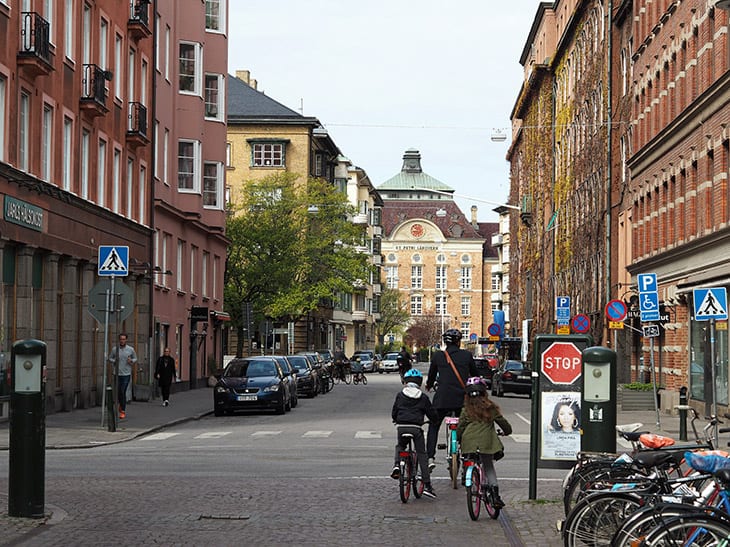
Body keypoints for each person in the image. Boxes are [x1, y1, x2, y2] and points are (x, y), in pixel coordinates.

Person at [425, 328, 478, 470]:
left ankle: (430, 457)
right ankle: (468, 456)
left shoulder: (438, 356)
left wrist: (429, 386)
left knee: (434, 426)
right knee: (467, 426)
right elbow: (475, 376)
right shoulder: (467, 355)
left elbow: (431, 376)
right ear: (459, 342)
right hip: (462, 400)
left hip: (442, 399)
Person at [456, 376, 512, 508]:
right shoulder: (490, 408)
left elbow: (460, 428)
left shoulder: (466, 410)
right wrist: (507, 431)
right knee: (488, 467)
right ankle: (495, 495)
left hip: (469, 443)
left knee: (469, 459)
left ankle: (466, 474)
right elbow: (504, 424)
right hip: (487, 444)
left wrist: (459, 439)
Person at [391, 368, 439, 499]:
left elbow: (394, 411)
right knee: (422, 454)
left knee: (400, 446)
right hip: (416, 427)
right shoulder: (422, 397)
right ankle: (427, 485)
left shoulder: (400, 395)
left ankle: (396, 465)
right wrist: (434, 420)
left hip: (402, 426)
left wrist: (395, 419)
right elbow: (431, 413)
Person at [108, 333, 137, 420]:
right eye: (121, 339)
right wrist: (114, 360)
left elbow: (135, 358)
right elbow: (110, 358)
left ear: (126, 340)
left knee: (122, 391)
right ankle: (121, 405)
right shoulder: (115, 349)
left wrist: (131, 360)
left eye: (124, 339)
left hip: (126, 374)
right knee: (118, 392)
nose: (122, 341)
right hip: (117, 373)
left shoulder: (130, 349)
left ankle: (122, 410)